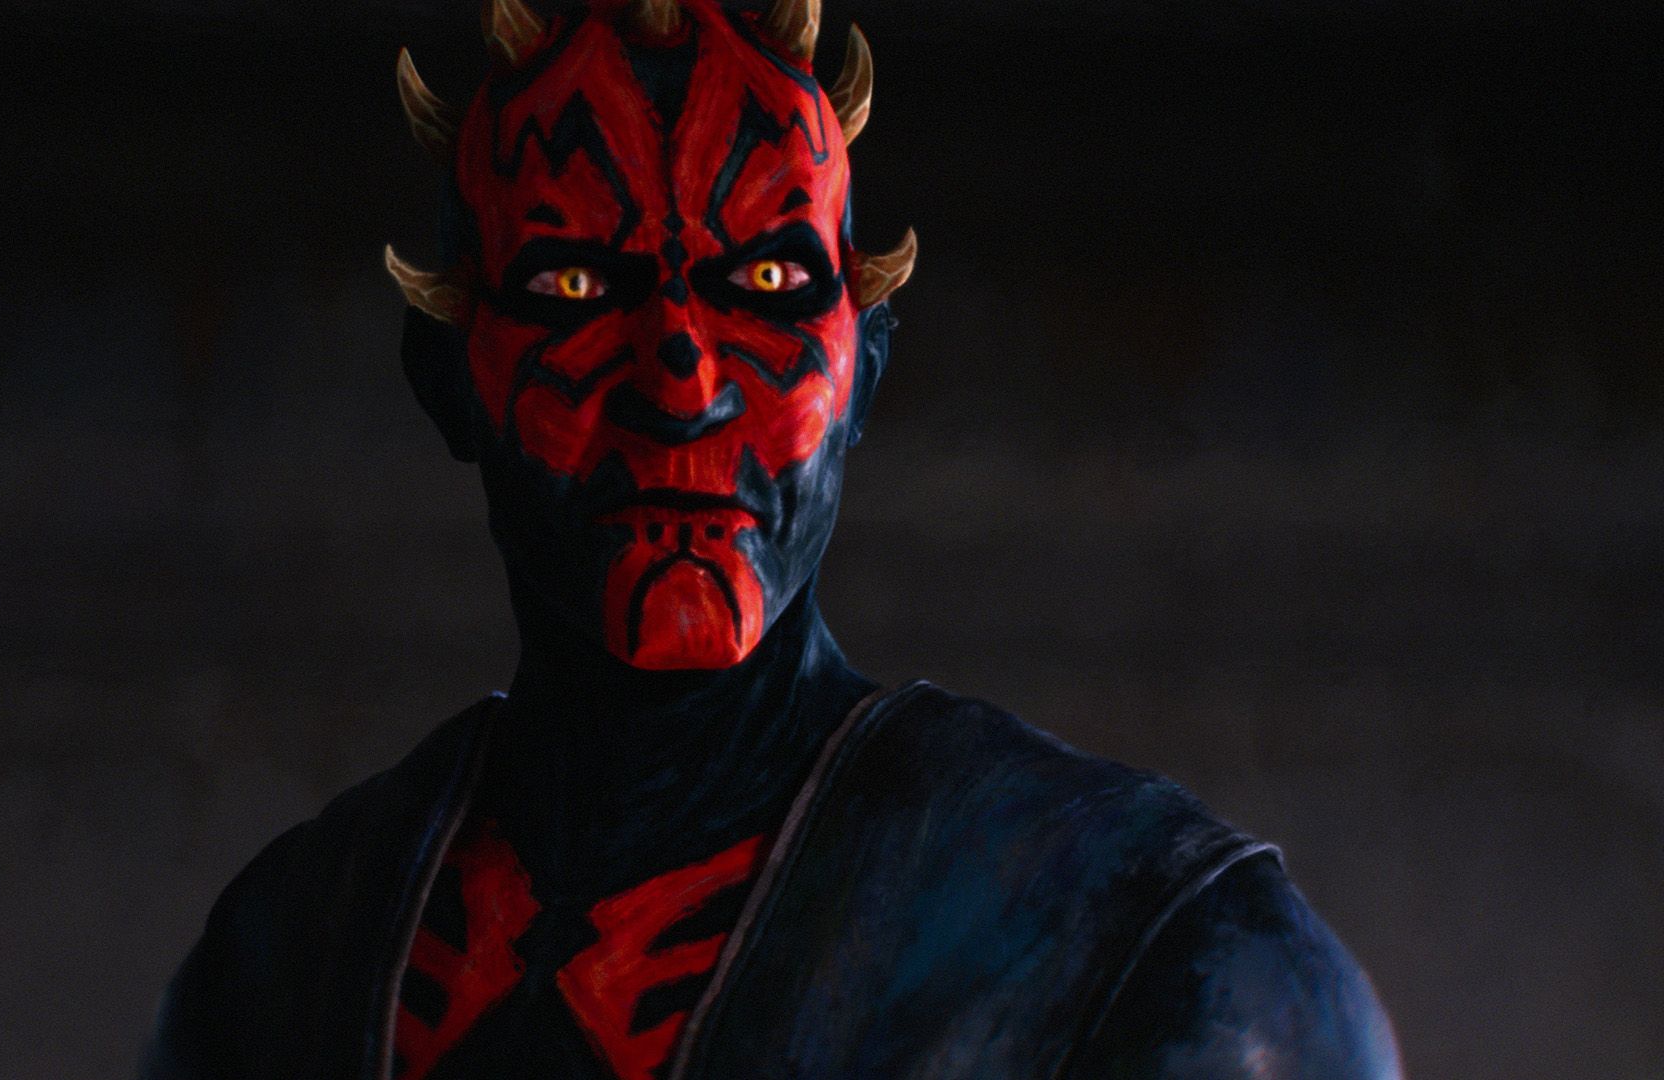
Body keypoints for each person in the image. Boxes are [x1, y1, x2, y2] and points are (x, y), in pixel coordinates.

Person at [144, 1, 1404, 1077]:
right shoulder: (291, 955)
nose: (682, 381)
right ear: (447, 375)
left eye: (766, 286)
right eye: (575, 285)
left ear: (864, 370)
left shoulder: (1159, 949)